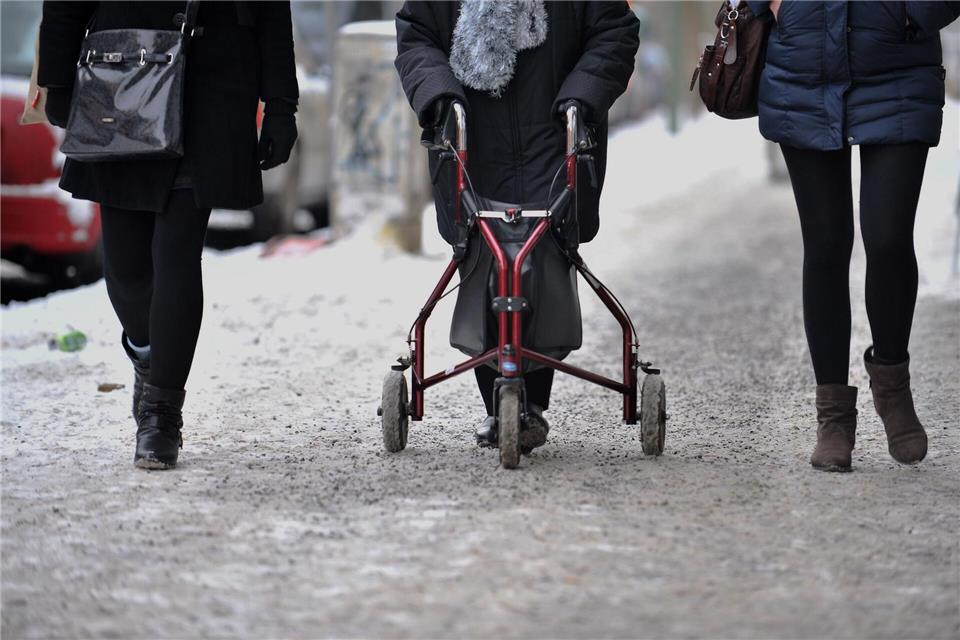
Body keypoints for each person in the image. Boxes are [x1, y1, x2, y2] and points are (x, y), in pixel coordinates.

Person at [38, 1, 299, 470]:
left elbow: (271, 9)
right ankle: (147, 351)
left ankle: (161, 415)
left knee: (177, 254)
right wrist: (56, 81)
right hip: (123, 76)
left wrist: (281, 104)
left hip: (213, 86)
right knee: (126, 269)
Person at [394, 1, 639, 450]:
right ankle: (501, 403)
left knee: (541, 255)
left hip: (555, 131)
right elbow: (416, 35)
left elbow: (615, 32)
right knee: (484, 256)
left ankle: (529, 402)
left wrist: (582, 95)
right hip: (471, 139)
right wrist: (439, 94)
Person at [748, 0, 960, 471]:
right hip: (804, 65)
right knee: (825, 245)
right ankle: (834, 417)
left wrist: (914, 11)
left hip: (897, 65)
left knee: (887, 238)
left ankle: (891, 380)